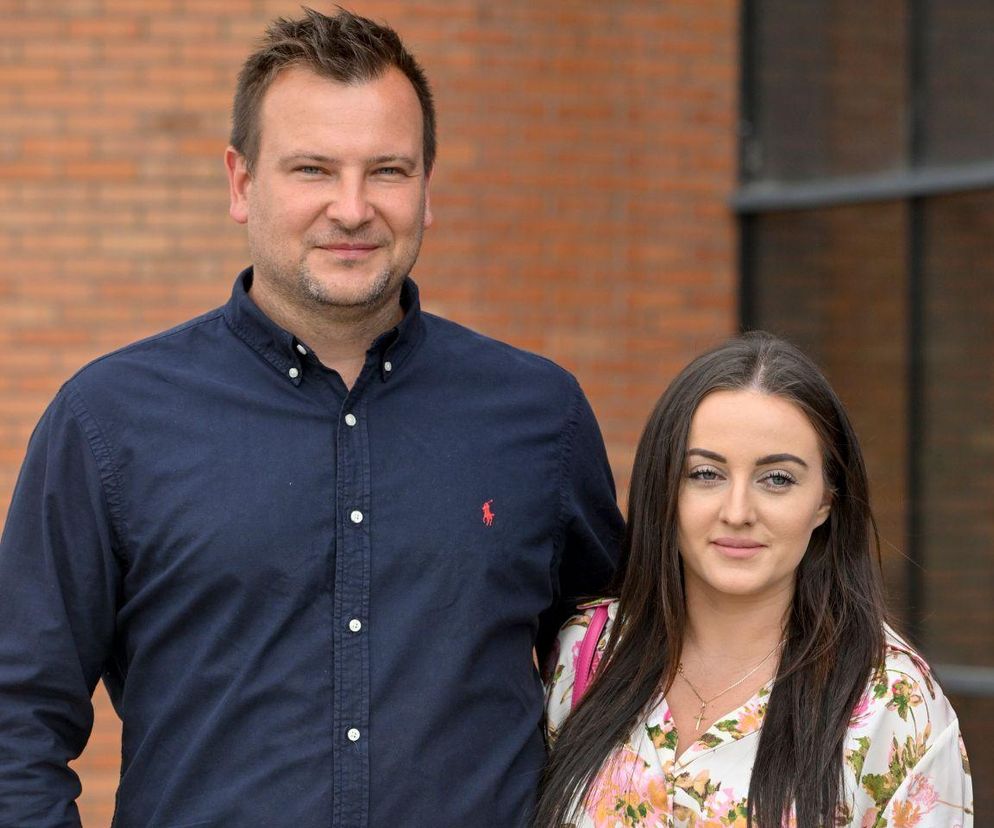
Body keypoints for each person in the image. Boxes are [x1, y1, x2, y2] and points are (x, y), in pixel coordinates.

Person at [0, 8, 623, 826]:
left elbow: (625, 670)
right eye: (313, 169)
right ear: (240, 182)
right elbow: (16, 721)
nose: (352, 208)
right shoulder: (109, 422)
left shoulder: (540, 417)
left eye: (387, 170)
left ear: (427, 187)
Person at [538, 332, 973, 827]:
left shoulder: (894, 704)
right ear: (665, 487)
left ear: (825, 501)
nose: (738, 511)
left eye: (777, 479)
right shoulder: (590, 651)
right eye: (706, 474)